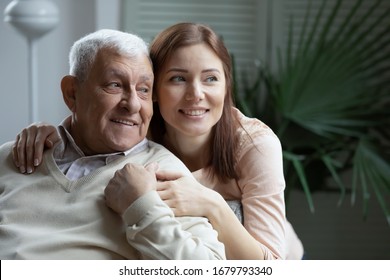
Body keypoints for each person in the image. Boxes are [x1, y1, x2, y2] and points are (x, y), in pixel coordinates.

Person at [12, 23, 304, 259]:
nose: (195, 94)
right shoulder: (138, 125)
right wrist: (50, 131)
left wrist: (213, 204)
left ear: (227, 86)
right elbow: (91, 121)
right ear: (154, 89)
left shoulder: (254, 144)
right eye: (178, 79)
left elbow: (271, 266)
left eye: (211, 78)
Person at [0, 29, 226, 260]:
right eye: (115, 85)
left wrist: (140, 206)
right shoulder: (16, 154)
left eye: (143, 90)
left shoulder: (163, 173)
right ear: (72, 93)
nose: (133, 105)